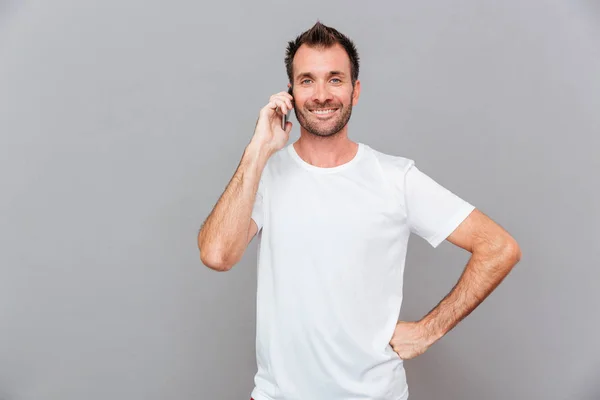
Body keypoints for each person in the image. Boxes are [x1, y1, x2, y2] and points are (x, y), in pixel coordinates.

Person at [198, 21, 522, 400]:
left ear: (355, 91)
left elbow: (499, 247)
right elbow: (217, 255)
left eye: (335, 80)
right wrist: (257, 149)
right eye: (307, 81)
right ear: (290, 92)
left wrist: (428, 330)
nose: (321, 95)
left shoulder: (395, 178)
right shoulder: (265, 175)